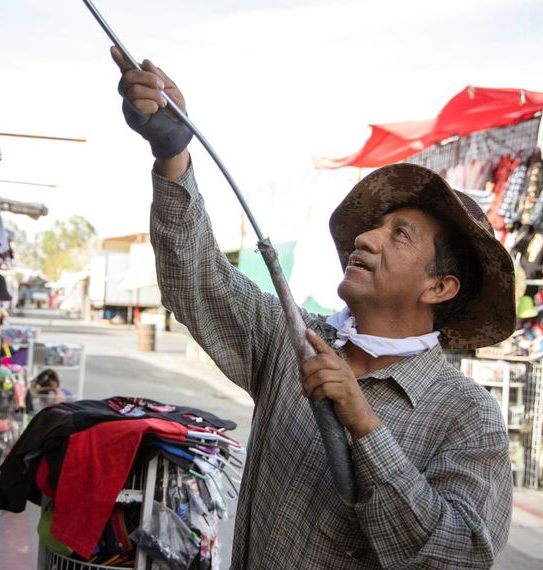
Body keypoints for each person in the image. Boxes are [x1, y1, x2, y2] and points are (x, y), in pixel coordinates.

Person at [111, 47, 515, 569]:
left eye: (400, 235)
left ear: (439, 288)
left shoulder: (467, 415)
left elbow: (457, 556)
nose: (365, 237)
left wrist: (364, 425)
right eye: (375, 226)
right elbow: (197, 279)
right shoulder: (293, 341)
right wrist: (172, 153)